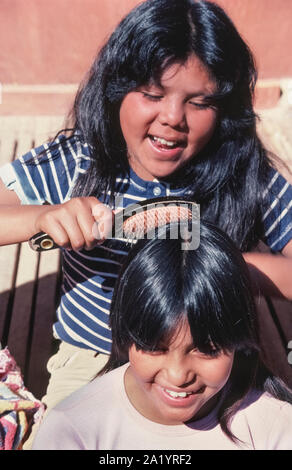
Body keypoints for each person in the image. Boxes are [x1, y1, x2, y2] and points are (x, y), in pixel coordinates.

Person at [0, 0, 291, 415]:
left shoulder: (244, 172)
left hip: (207, 362)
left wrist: (222, 267)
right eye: (152, 93)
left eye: (201, 102)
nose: (173, 117)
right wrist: (42, 216)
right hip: (94, 356)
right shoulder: (80, 158)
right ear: (116, 89)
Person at [31, 221, 292, 450]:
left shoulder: (277, 428)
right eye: (156, 348)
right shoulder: (72, 429)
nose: (178, 376)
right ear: (127, 332)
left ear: (238, 338)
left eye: (208, 350)